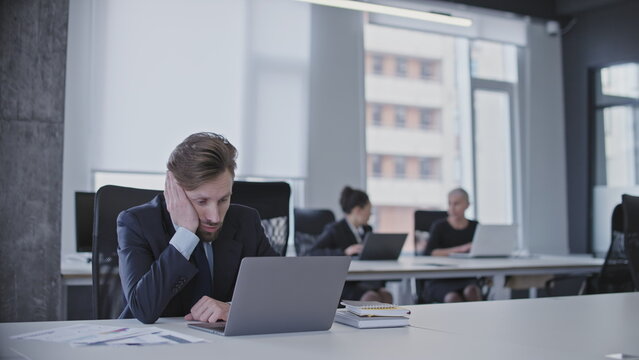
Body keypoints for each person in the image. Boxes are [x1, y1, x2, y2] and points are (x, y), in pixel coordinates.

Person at [117, 132, 278, 324]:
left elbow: (281, 290)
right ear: (174, 190)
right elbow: (143, 309)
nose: (215, 217)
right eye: (201, 201)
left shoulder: (245, 221)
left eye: (223, 200)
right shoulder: (136, 223)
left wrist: (232, 308)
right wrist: (185, 234)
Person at [307, 186, 393, 303]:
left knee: (386, 295)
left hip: (365, 280)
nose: (370, 214)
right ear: (358, 210)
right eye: (368, 210)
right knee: (371, 298)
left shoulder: (367, 230)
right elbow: (311, 253)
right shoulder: (335, 229)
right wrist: (344, 253)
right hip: (344, 283)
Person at [422, 188, 482, 303]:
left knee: (472, 291)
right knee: (453, 298)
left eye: (457, 204)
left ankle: (478, 320)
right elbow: (430, 252)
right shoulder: (439, 226)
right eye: (450, 203)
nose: (452, 208)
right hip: (440, 278)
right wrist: (460, 249)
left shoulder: (475, 226)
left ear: (467, 205)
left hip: (465, 276)